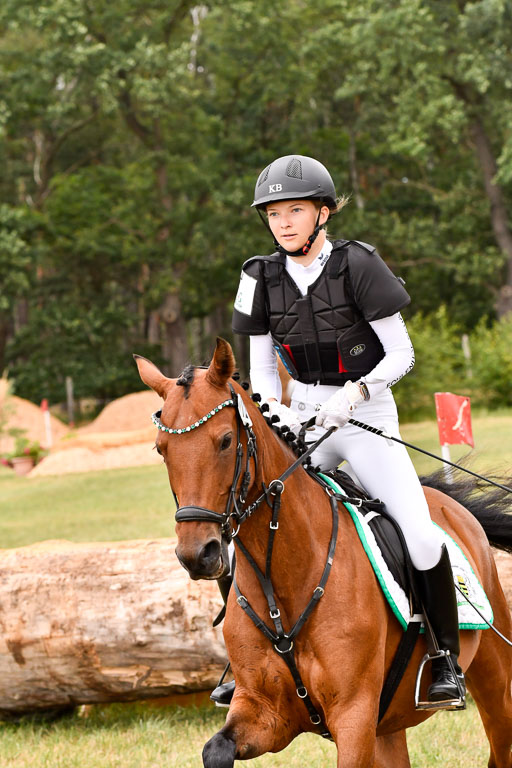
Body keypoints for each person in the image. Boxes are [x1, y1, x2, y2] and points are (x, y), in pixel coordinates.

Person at [213, 154, 465, 710]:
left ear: (323, 213)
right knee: (244, 522)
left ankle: (444, 659)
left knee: (421, 535)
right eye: (274, 214)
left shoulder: (359, 264)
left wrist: (354, 395)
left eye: (295, 211)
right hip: (301, 416)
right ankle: (242, 660)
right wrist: (276, 414)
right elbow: (259, 368)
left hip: (365, 416)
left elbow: (402, 353)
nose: (283, 223)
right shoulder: (258, 276)